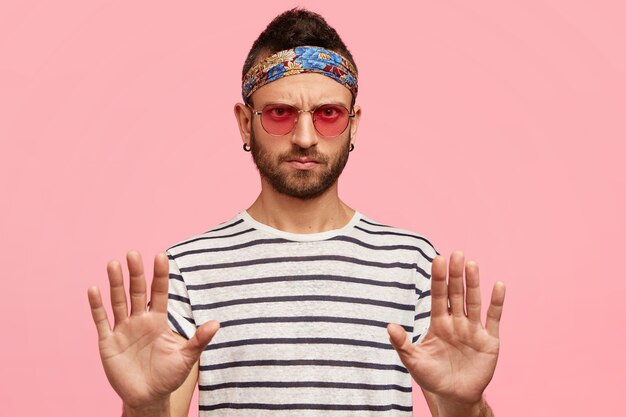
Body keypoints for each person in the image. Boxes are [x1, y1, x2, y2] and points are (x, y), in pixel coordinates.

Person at [88, 8, 505, 417]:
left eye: (328, 114)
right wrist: (144, 407)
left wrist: (466, 405)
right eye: (280, 114)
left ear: (353, 123)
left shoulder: (412, 263)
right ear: (243, 122)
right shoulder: (187, 269)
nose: (305, 138)